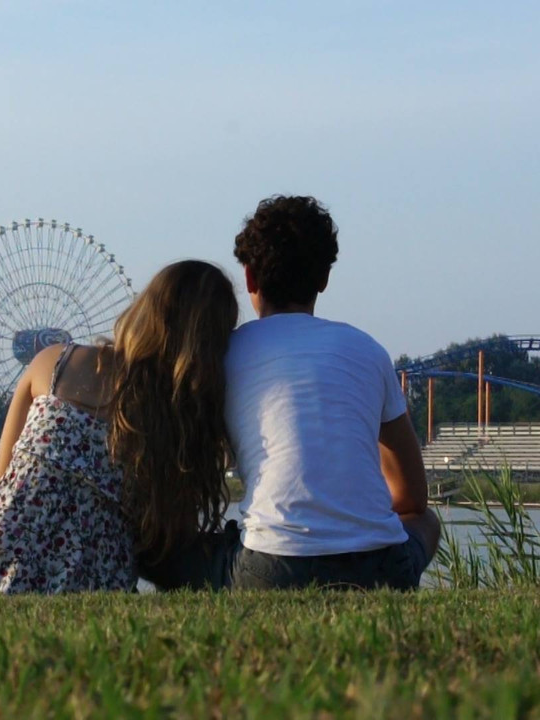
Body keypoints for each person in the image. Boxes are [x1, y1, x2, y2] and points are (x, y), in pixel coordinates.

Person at [142, 195, 441, 591]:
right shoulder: (368, 350)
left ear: (249, 277)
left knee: (152, 544)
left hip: (272, 570)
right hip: (383, 569)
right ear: (324, 279)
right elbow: (410, 497)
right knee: (427, 522)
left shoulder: (225, 353)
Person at [0, 260, 238, 596]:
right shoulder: (180, 423)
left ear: (145, 310)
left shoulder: (52, 363)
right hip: (86, 577)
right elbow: (162, 540)